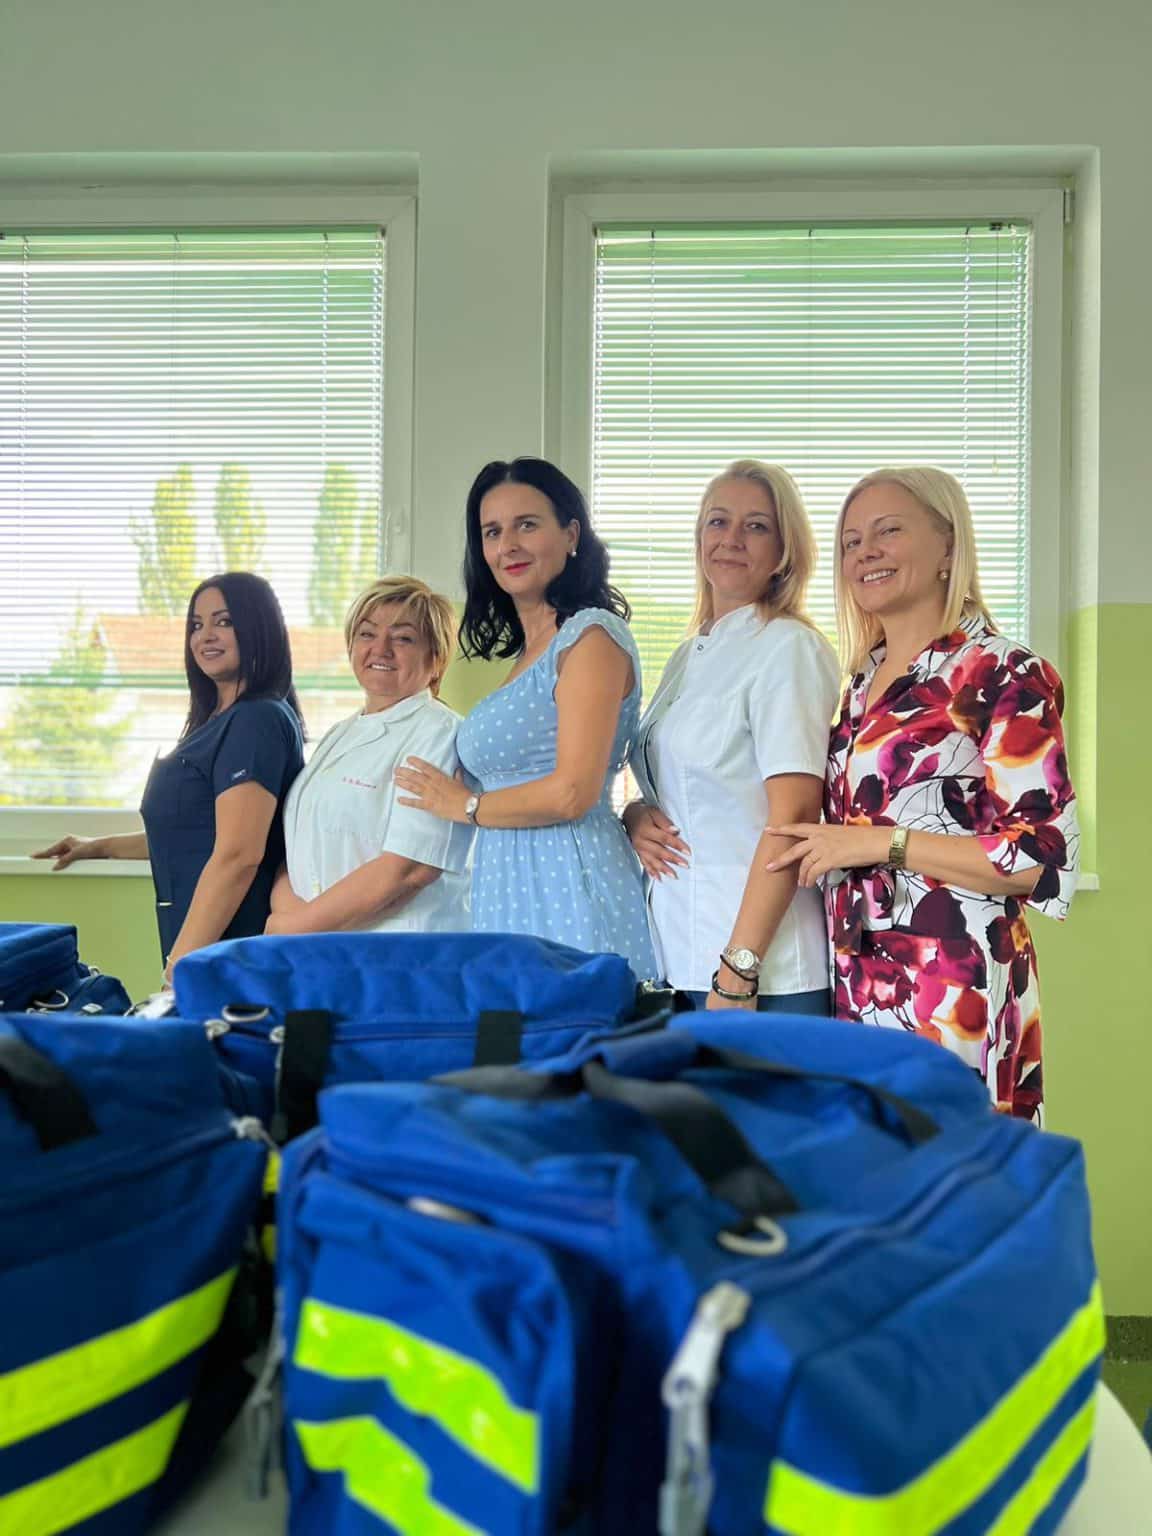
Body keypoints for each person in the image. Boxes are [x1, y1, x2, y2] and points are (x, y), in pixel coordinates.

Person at [766, 467, 1079, 1121]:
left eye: (888, 531)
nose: (865, 553)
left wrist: (884, 843)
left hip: (953, 984)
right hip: (858, 979)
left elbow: (1040, 858)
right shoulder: (859, 685)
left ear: (947, 545)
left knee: (952, 1170)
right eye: (851, 542)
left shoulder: (1002, 671)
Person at [394, 457, 657, 977]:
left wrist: (464, 805)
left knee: (577, 1024)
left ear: (571, 534)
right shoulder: (530, 653)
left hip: (570, 884)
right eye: (492, 532)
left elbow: (572, 793)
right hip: (508, 885)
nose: (507, 545)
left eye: (527, 525)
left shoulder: (591, 637)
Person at [624, 461, 840, 1012]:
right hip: (679, 953)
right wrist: (635, 817)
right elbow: (676, 782)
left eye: (757, 526)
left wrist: (740, 967)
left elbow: (793, 817)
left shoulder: (788, 647)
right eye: (717, 522)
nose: (732, 539)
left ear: (785, 550)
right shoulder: (687, 654)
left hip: (762, 971)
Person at [34, 572, 304, 977]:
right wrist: (98, 846)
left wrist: (177, 970)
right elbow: (194, 834)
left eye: (224, 621)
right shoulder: (220, 721)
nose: (205, 636)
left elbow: (238, 856)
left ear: (258, 628)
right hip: (209, 951)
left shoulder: (254, 720)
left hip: (231, 953)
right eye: (196, 624)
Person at [267, 576, 472, 934]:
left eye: (403, 638)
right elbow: (298, 847)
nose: (381, 649)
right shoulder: (340, 733)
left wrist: (299, 927)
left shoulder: (440, 734)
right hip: (323, 944)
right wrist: (288, 918)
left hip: (396, 949)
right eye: (367, 633)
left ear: (436, 659)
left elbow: (411, 869)